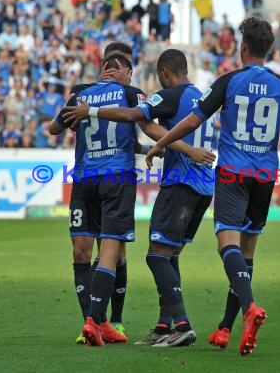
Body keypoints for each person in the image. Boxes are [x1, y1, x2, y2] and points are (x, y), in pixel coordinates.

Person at [146, 17, 280, 356]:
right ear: (269, 49)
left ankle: (250, 307)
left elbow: (193, 120)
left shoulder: (229, 81)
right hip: (265, 176)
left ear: (244, 47)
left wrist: (161, 142)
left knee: (227, 245)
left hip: (233, 173)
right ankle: (224, 328)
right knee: (247, 254)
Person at [63, 49, 216, 347]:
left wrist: (90, 111)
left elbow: (137, 116)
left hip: (180, 183)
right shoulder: (202, 97)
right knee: (169, 257)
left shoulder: (169, 95)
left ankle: (182, 325)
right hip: (204, 187)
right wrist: (158, 148)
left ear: (163, 73)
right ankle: (164, 326)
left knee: (156, 255)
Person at [50, 53, 146, 347]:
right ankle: (95, 322)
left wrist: (73, 114)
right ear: (122, 71)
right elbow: (146, 120)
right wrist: (172, 146)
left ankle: (93, 324)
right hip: (116, 178)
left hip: (84, 180)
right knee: (109, 250)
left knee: (82, 251)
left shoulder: (80, 93)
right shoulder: (131, 93)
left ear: (103, 70)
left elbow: (53, 129)